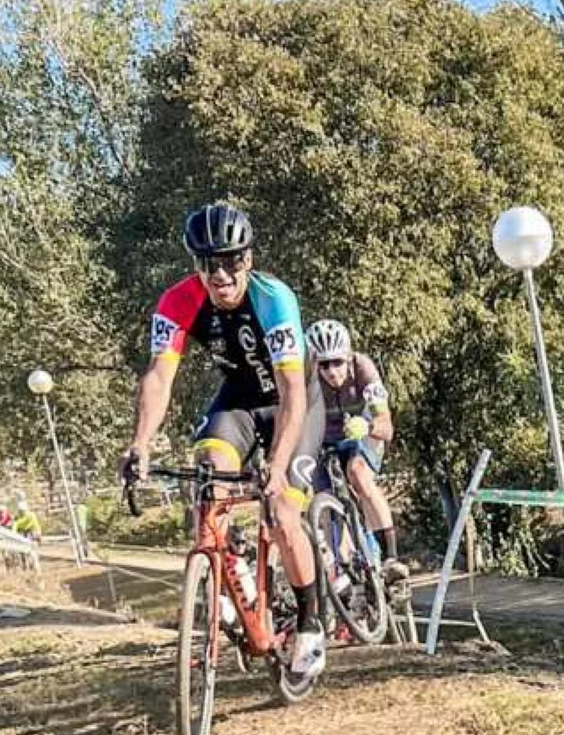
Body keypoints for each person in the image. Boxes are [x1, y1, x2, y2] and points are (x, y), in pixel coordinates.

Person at [121, 203, 329, 681]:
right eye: (208, 263)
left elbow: (293, 391)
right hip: (237, 401)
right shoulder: (177, 300)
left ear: (248, 260)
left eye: (231, 261)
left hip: (294, 402)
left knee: (281, 510)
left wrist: (276, 470)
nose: (221, 274)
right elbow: (159, 376)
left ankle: (310, 623)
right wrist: (141, 444)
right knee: (210, 480)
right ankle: (224, 582)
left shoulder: (273, 298)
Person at [304, 318, 409, 584]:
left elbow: (387, 427)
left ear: (349, 358)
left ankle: (391, 556)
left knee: (357, 472)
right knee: (324, 502)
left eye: (337, 362)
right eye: (323, 364)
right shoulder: (307, 378)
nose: (330, 371)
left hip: (362, 435)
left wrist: (370, 425)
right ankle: (345, 569)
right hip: (323, 440)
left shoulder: (364, 369)